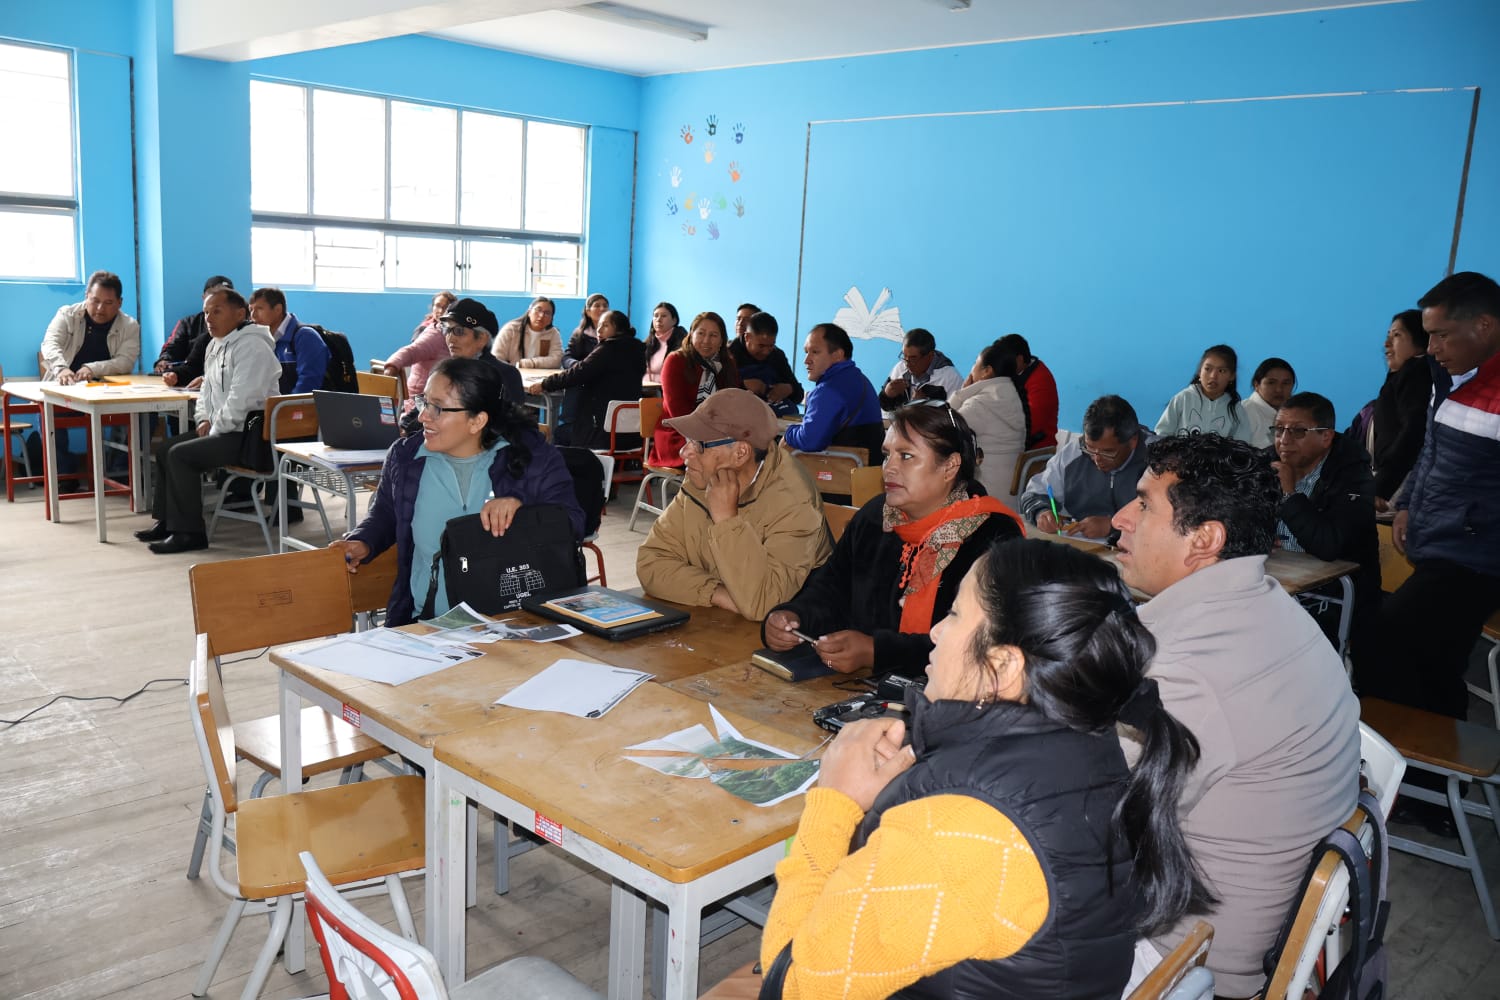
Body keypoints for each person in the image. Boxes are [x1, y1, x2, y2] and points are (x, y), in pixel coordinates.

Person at [759, 538, 1211, 999]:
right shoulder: (1089, 744)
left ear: (1002, 667)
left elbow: (789, 988)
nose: (936, 632)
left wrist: (834, 803)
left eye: (954, 614)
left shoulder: (962, 833)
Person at [1110, 433, 1359, 997]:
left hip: (1183, 963)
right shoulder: (1268, 607)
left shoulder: (1194, 676)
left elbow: (1085, 828)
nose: (1121, 518)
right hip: (1249, 927)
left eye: (1145, 503)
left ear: (1205, 540)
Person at [765, 402, 1024, 677]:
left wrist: (877, 651)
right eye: (887, 455)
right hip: (857, 685)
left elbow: (984, 644)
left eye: (907, 457)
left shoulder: (992, 535)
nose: (888, 468)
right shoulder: (877, 516)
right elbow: (831, 588)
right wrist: (794, 617)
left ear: (950, 466)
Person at [335, 357, 584, 626]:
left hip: (515, 623)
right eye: (424, 402)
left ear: (477, 421)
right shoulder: (406, 456)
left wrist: (522, 511)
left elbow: (574, 524)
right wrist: (363, 541)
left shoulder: (534, 459)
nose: (423, 416)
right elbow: (386, 512)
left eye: (438, 408)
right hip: (428, 623)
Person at [1363, 272, 1500, 725]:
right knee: (1434, 665)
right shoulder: (1446, 376)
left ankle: (1414, 772)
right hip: (1434, 536)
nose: (1433, 347)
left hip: (1474, 556)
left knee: (1384, 642)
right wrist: (1407, 506)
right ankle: (1433, 782)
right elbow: (1431, 450)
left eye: (1441, 335)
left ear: (1483, 326)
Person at [636, 389, 832, 620]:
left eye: (698, 444)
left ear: (740, 453)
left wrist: (727, 520)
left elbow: (764, 603)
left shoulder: (794, 499)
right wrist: (717, 593)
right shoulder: (703, 479)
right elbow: (650, 563)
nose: (683, 452)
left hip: (790, 630)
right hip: (720, 618)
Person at [134, 287, 281, 554]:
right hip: (225, 430)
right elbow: (205, 389)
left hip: (251, 435)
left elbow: (243, 399)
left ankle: (190, 534)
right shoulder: (214, 345)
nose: (209, 318)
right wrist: (202, 418)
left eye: (217, 311)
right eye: (206, 313)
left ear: (239, 314)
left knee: (181, 456)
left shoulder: (254, 347)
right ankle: (168, 522)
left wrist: (215, 428)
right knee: (168, 449)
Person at [1271, 392, 1380, 674]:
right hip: (1276, 586)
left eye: (1297, 431)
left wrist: (1289, 495)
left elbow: (1329, 545)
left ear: (1326, 437)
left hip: (1329, 594)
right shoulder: (1265, 463)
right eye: (1279, 429)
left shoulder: (1353, 475)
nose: (1283, 440)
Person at [1020, 395, 1153, 543]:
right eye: (1090, 449)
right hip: (1084, 550)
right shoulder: (1074, 453)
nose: (1097, 459)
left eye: (1108, 452)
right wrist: (1041, 512)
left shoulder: (1161, 460)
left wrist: (1113, 526)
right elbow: (1033, 493)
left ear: (1133, 441)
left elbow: (1174, 522)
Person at [533, 309, 644, 449]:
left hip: (602, 433)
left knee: (560, 433)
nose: (599, 329)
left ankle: (556, 469)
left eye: (605, 325)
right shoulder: (638, 349)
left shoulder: (608, 348)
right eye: (599, 325)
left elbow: (578, 373)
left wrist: (545, 384)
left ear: (619, 330)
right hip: (632, 435)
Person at [781, 323, 884, 460]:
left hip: (844, 475)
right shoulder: (859, 379)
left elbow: (810, 441)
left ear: (838, 355)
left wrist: (788, 433)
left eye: (815, 352)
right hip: (868, 473)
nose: (806, 361)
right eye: (806, 352)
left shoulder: (828, 390)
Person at [653, 310, 741, 468]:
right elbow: (678, 412)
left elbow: (732, 404)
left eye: (714, 335)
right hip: (678, 435)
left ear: (722, 340)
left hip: (717, 433)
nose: (706, 340)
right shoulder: (675, 361)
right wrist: (711, 434)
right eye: (701, 333)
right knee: (721, 454)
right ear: (691, 334)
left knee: (749, 450)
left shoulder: (727, 364)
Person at [1367, 309, 1435, 507]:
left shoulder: (1417, 373)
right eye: (1388, 336)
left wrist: (1383, 486)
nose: (1386, 344)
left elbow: (1414, 429)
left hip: (1402, 482)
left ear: (1421, 341)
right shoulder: (1403, 375)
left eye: (1396, 335)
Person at [946, 339, 1028, 499]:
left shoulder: (982, 403)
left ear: (987, 371)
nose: (971, 369)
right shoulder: (1008, 394)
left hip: (987, 492)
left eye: (975, 363)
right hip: (1009, 490)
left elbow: (946, 424)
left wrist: (962, 393)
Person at [41, 270, 141, 385]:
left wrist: (92, 369)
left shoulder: (130, 325)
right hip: (63, 385)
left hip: (107, 391)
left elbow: (125, 362)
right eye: (95, 301)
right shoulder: (67, 314)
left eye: (108, 303)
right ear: (86, 296)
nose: (100, 308)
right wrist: (61, 368)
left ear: (119, 302)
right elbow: (50, 343)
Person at [1154, 344, 1254, 442]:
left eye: (1221, 371)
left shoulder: (1236, 410)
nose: (1213, 376)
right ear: (1199, 372)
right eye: (1207, 369)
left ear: (1232, 376)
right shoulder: (1183, 398)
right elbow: (1161, 435)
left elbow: (1242, 447)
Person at [439, 298, 524, 408]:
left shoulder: (505, 375)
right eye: (447, 330)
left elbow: (513, 421)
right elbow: (423, 410)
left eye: (459, 331)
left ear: (482, 339)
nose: (450, 339)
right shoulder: (443, 371)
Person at [382, 290, 456, 409]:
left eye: (445, 307)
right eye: (437, 306)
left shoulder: (444, 330)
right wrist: (392, 366)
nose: (441, 311)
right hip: (421, 403)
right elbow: (413, 350)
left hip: (434, 397)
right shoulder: (434, 334)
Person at [248, 286, 329, 395]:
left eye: (259, 309)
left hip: (306, 409)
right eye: (251, 309)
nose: (253, 315)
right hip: (276, 408)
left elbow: (308, 383)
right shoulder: (261, 339)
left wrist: (287, 410)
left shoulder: (305, 336)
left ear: (278, 310)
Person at [155, 274, 233, 384]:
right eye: (207, 313)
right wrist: (176, 375)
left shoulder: (245, 334)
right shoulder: (202, 337)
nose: (210, 318)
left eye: (225, 297)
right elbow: (192, 367)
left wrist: (207, 380)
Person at [729, 310, 803, 418]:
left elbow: (799, 394)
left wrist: (789, 388)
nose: (766, 351)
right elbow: (716, 391)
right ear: (747, 337)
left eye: (771, 345)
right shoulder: (730, 354)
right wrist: (742, 385)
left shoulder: (777, 355)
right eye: (761, 346)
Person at [877, 328, 964, 409]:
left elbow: (955, 419)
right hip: (899, 423)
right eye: (904, 356)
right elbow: (884, 407)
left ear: (930, 356)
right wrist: (887, 394)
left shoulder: (950, 377)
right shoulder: (900, 367)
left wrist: (924, 407)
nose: (907, 364)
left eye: (913, 358)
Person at [998, 333, 1058, 447]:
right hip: (1015, 441)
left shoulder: (1041, 381)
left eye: (1006, 362)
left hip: (1035, 449)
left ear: (1019, 359)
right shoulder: (1015, 372)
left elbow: (1030, 425)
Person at [494, 296, 562, 369]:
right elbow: (496, 358)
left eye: (547, 313)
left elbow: (557, 361)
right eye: (538, 310)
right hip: (512, 375)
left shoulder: (553, 333)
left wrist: (526, 363)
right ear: (529, 312)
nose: (541, 315)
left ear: (551, 318)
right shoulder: (511, 329)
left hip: (542, 377)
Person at [1242, 357, 1296, 449]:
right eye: (1271, 383)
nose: (1279, 389)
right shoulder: (1244, 411)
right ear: (1256, 385)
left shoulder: (1295, 414)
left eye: (1286, 383)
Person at [642, 301, 687, 383]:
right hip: (644, 391)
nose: (658, 320)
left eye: (664, 316)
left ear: (674, 320)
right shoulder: (649, 341)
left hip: (664, 391)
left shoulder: (682, 343)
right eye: (655, 316)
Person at [564, 293, 609, 369]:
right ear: (588, 312)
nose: (602, 309)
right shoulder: (579, 334)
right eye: (597, 306)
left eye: (605, 306)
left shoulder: (615, 333)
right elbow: (566, 358)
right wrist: (578, 366)